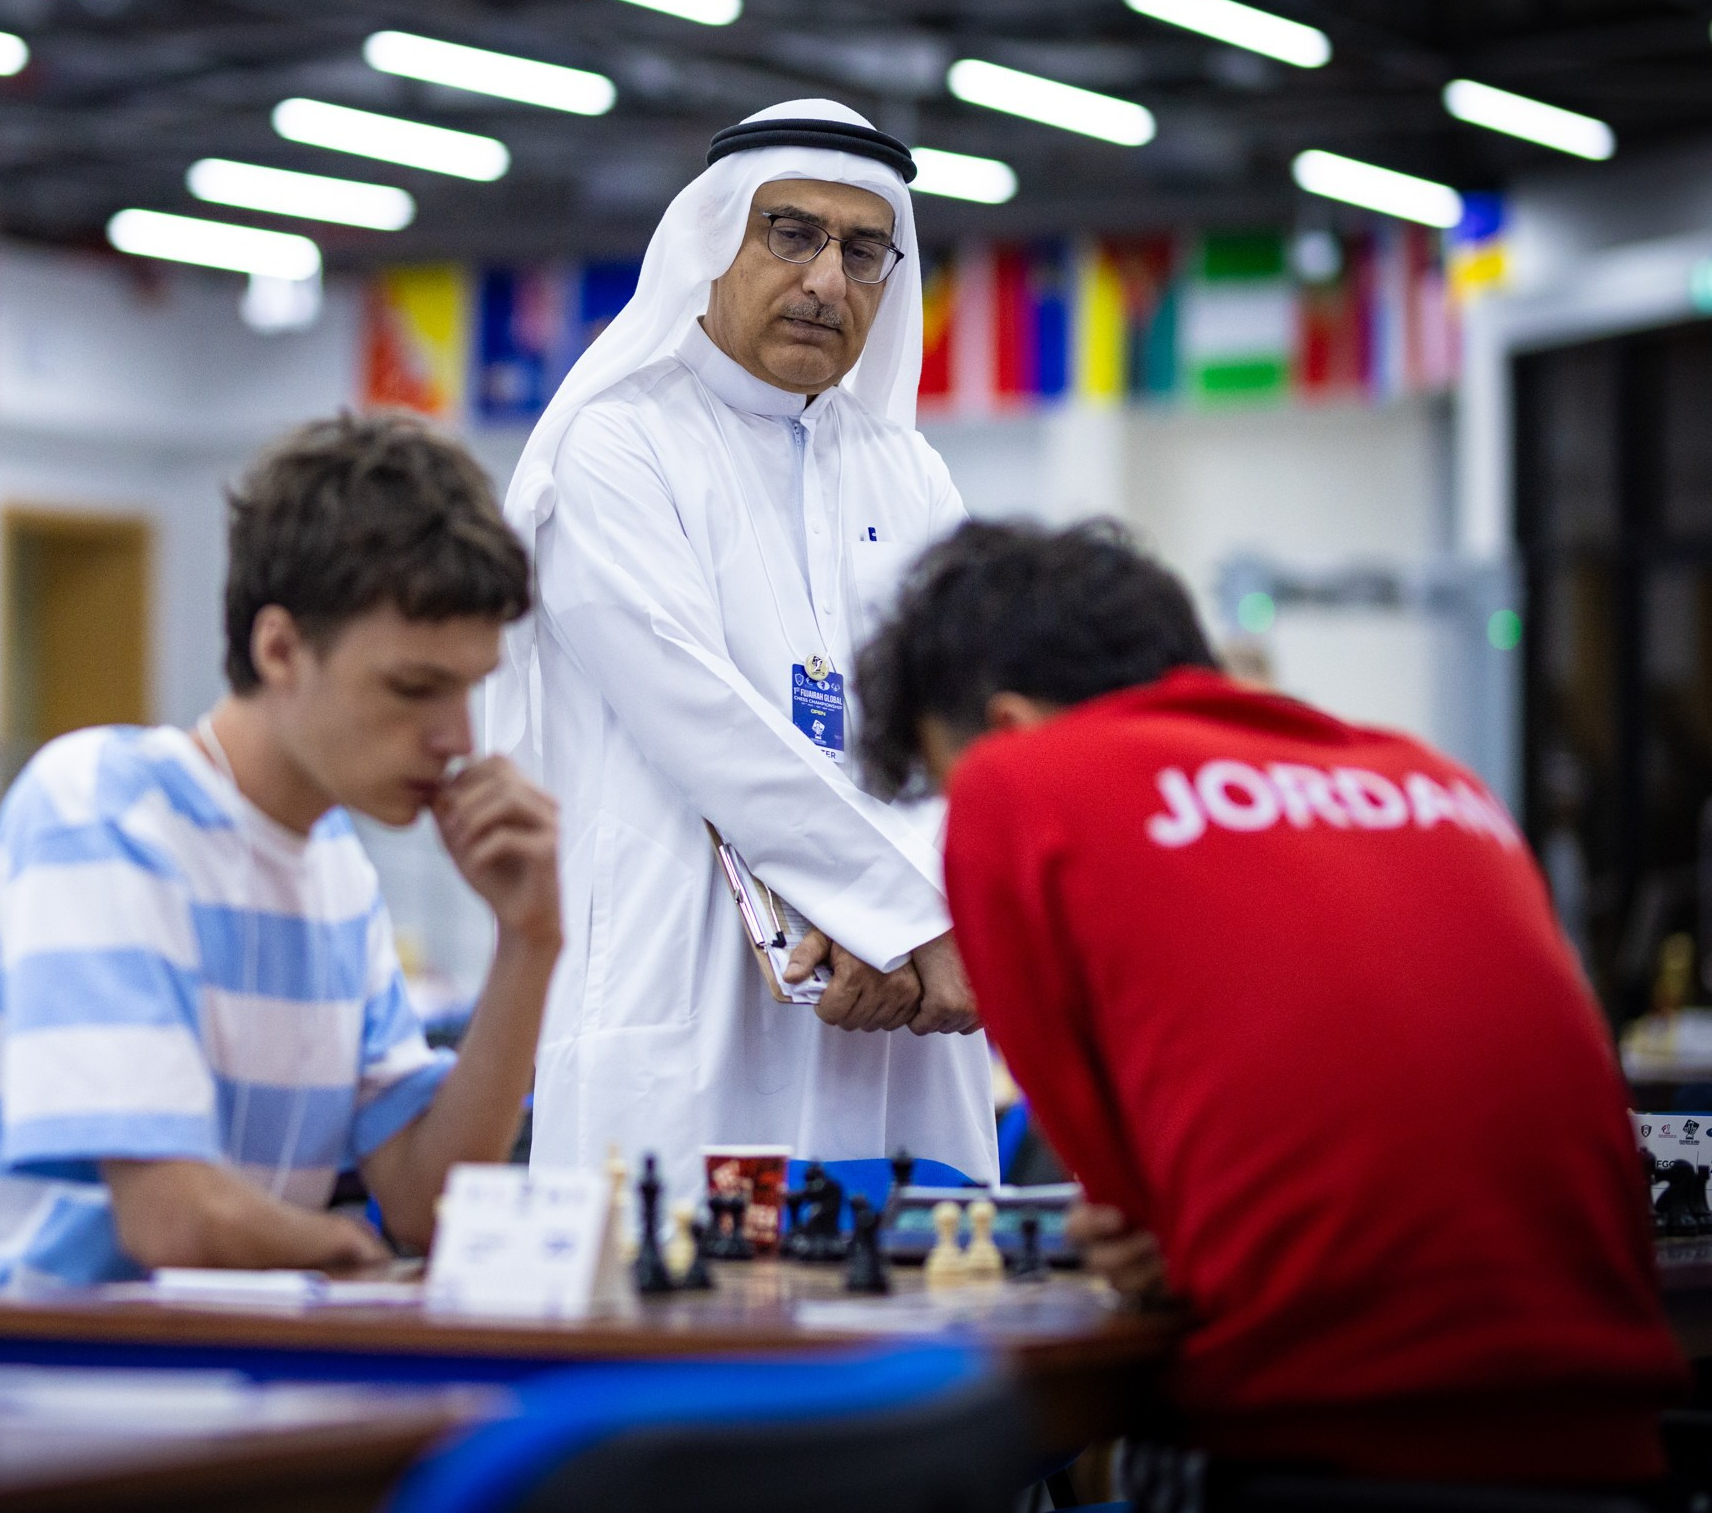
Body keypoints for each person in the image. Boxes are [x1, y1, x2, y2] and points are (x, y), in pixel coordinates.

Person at [853, 518, 1685, 1486]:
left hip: (1319, 1448)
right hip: (1622, 1449)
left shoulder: (1021, 783)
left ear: (1002, 732)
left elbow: (1138, 1230)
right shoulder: (1434, 779)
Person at [0, 416, 562, 1293]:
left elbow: (429, 1203)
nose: (455, 738)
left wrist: (530, 942)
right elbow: (172, 1220)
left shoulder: (335, 869)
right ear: (279, 650)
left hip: (205, 1364)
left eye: (469, 689)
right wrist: (350, 1254)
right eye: (414, 689)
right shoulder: (101, 807)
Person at [483, 97, 994, 1187]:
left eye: (863, 252)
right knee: (678, 1335)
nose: (825, 281)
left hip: (906, 1002)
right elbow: (702, 715)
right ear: (713, 240)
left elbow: (969, 731)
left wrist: (941, 917)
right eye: (792, 233)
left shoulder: (911, 475)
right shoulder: (612, 445)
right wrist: (908, 912)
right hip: (693, 995)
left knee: (924, 1324)